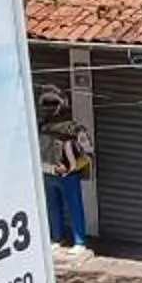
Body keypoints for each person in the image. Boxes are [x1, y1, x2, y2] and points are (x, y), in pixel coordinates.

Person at [37, 86, 92, 254]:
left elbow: (88, 152)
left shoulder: (74, 129)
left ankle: (79, 241)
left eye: (53, 103)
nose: (49, 108)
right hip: (47, 173)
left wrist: (69, 167)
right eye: (46, 104)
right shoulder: (39, 127)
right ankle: (57, 237)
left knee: (74, 207)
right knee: (53, 207)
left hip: (69, 175)